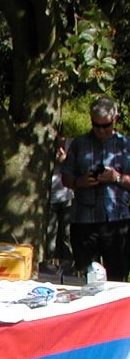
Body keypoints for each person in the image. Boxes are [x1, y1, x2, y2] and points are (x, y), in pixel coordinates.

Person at [61, 96, 130, 281]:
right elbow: (66, 178)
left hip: (117, 221)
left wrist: (116, 177)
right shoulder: (79, 144)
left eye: (105, 125)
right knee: (86, 278)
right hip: (84, 221)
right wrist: (80, 182)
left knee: (117, 279)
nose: (100, 130)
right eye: (96, 125)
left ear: (115, 119)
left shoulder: (126, 145)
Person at [46, 135, 73, 267]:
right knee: (50, 238)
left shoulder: (71, 144)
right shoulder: (45, 143)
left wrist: (64, 161)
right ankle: (49, 267)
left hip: (66, 197)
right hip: (49, 198)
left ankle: (69, 267)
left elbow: (77, 166)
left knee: (67, 235)